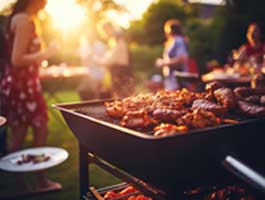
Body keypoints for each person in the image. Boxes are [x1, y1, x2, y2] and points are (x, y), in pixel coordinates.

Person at [0, 0, 61, 192]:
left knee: (21, 133)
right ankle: (36, 183)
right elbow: (17, 60)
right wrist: (47, 53)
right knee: (37, 129)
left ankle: (23, 184)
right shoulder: (25, 20)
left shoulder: (19, 18)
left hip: (21, 84)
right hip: (23, 86)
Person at [96, 21, 134, 98]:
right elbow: (111, 56)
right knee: (120, 97)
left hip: (121, 73)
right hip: (118, 72)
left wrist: (101, 62)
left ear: (108, 29)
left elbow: (117, 58)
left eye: (104, 31)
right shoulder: (114, 40)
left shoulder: (119, 38)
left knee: (123, 97)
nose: (104, 34)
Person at [156, 19, 189, 90]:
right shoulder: (173, 41)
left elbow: (182, 59)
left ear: (170, 30)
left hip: (178, 81)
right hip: (171, 80)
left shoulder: (178, 41)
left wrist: (163, 63)